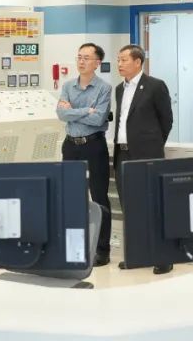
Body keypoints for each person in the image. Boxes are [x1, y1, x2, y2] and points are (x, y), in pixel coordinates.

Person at [113, 44, 174, 273]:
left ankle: (163, 257)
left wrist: (152, 145)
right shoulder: (119, 89)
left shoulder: (155, 86)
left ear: (138, 62)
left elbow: (166, 120)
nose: (119, 64)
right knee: (130, 207)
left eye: (124, 60)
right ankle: (137, 254)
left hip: (147, 155)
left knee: (152, 205)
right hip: (123, 154)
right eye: (118, 60)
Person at [56, 42, 113, 266]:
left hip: (94, 146)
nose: (81, 61)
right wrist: (84, 111)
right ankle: (74, 247)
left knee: (99, 197)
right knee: (71, 197)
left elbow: (98, 119)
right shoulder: (68, 86)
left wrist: (72, 111)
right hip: (71, 146)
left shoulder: (104, 88)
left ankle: (102, 250)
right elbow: (61, 114)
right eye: (79, 57)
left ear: (97, 63)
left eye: (86, 58)